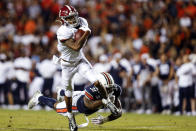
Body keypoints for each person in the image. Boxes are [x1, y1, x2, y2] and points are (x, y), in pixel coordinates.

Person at [53, 5, 99, 130]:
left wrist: (84, 32)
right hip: (67, 65)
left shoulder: (83, 21)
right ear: (63, 19)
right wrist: (86, 33)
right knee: (69, 92)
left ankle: (108, 104)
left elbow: (79, 47)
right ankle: (70, 117)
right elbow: (75, 47)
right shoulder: (62, 31)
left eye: (74, 16)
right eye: (70, 18)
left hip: (79, 60)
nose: (73, 19)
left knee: (95, 80)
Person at [28, 72, 122, 130]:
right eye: (107, 89)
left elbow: (118, 112)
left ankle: (61, 92)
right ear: (99, 87)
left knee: (71, 93)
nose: (110, 90)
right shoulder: (92, 90)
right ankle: (39, 97)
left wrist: (105, 120)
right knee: (57, 107)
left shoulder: (115, 89)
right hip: (78, 104)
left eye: (111, 88)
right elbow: (88, 106)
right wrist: (104, 101)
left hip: (82, 94)